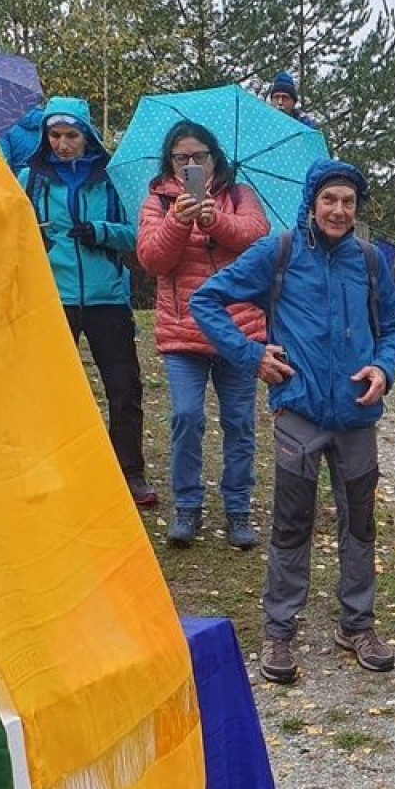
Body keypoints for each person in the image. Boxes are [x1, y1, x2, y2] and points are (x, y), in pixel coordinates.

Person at [190, 159, 395, 680]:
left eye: (348, 201)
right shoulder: (279, 252)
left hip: (356, 414)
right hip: (299, 412)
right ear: (313, 201)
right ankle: (279, 632)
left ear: (357, 208)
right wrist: (252, 355)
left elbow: (392, 331)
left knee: (360, 524)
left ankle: (356, 624)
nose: (338, 210)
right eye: (329, 199)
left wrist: (384, 367)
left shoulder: (371, 262)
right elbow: (207, 300)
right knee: (291, 523)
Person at [136, 122, 270, 549]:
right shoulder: (158, 199)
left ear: (214, 158)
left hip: (237, 330)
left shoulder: (239, 195)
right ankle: (187, 506)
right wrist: (179, 222)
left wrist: (218, 222)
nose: (191, 164)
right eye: (182, 158)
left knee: (239, 422)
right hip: (183, 332)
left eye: (199, 156)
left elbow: (258, 240)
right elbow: (152, 260)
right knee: (186, 417)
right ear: (170, 161)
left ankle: (238, 508)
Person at [19, 96, 155, 509]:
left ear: (87, 135)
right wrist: (30, 239)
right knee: (50, 389)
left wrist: (100, 231)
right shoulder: (29, 178)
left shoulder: (111, 179)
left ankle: (129, 472)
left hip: (107, 298)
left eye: (71, 135)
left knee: (124, 387)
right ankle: (54, 470)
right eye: (55, 135)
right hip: (52, 298)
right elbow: (7, 231)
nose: (62, 144)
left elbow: (139, 236)